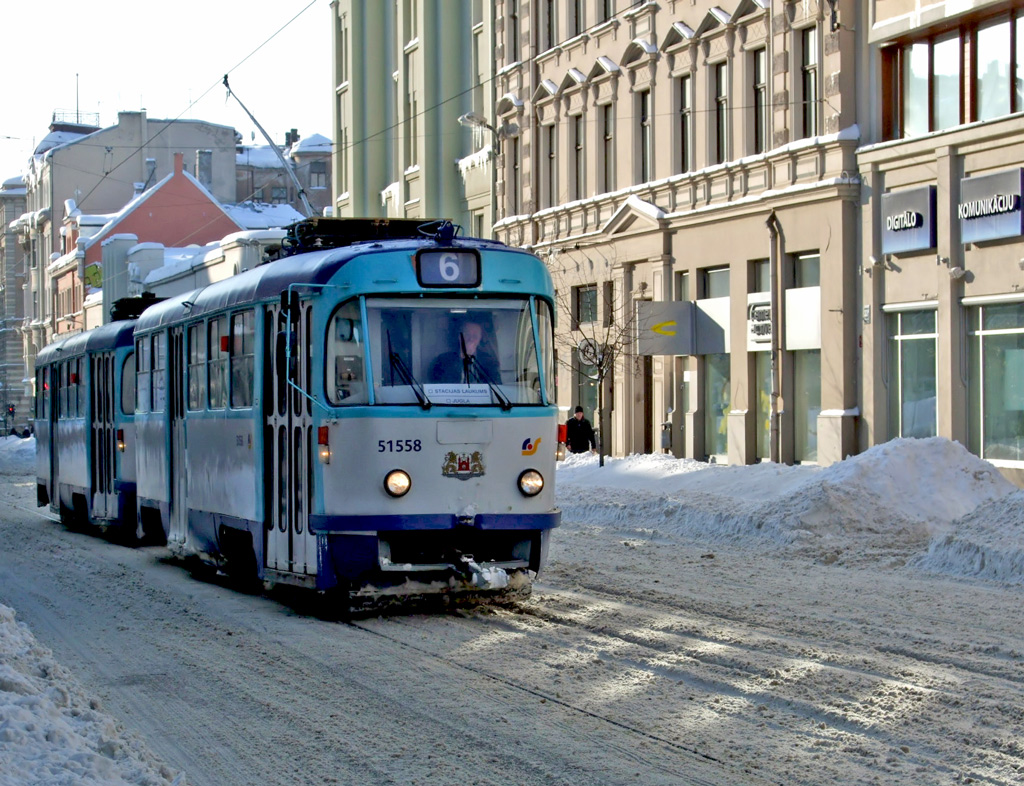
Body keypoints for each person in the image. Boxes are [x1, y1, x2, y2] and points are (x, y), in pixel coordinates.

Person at [428, 319, 500, 384]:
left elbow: (496, 385)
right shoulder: (443, 361)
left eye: (475, 336)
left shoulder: (489, 361)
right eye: (467, 334)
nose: (471, 339)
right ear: (459, 337)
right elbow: (437, 386)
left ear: (480, 339)